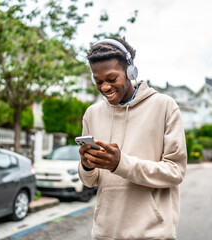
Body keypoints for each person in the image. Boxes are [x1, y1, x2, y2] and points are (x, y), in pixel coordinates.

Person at [78, 37, 187, 240]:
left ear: (130, 72)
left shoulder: (164, 106)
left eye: (112, 79)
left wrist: (121, 163)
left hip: (152, 234)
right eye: (98, 81)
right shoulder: (92, 114)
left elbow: (175, 172)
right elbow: (89, 182)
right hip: (104, 234)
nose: (105, 87)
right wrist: (87, 165)